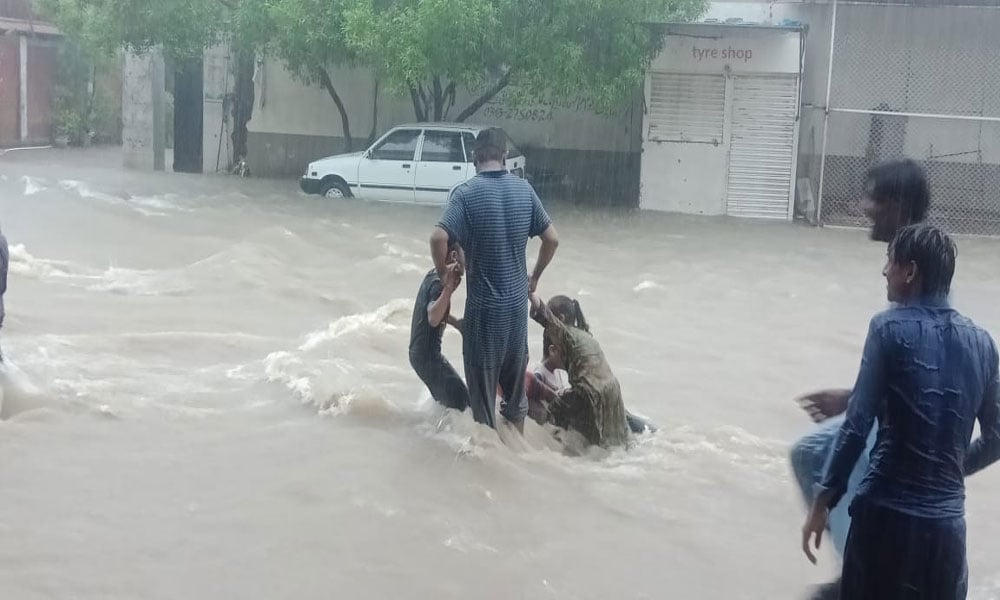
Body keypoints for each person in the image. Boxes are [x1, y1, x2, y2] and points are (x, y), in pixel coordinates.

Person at [801, 223, 1000, 599]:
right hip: (946, 530)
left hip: (885, 520)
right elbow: (998, 436)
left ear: (910, 272)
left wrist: (822, 502)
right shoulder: (983, 344)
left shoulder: (887, 328)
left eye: (889, 262)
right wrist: (955, 467)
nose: (884, 272)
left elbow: (856, 427)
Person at [789, 159, 931, 599]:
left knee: (843, 456)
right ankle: (858, 563)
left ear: (899, 205)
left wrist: (857, 404)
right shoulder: (907, 257)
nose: (864, 206)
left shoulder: (921, 263)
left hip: (902, 424)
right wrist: (852, 397)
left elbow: (917, 362)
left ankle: (864, 575)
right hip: (886, 408)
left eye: (874, 198)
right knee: (809, 451)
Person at [431, 127, 559, 432]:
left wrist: (443, 275)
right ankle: (515, 463)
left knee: (483, 412)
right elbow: (552, 239)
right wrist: (535, 277)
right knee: (516, 404)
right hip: (515, 315)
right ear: (504, 157)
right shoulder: (524, 190)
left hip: (484, 318)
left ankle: (486, 472)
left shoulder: (464, 194)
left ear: (474, 158)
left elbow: (438, 237)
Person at [528, 294, 629, 448]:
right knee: (607, 442)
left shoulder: (565, 334)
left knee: (550, 414)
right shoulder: (584, 335)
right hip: (613, 391)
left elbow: (542, 313)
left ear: (560, 319)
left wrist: (529, 291)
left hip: (590, 392)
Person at [408, 244, 468, 411]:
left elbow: (435, 311)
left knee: (448, 403)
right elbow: (433, 317)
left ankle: (432, 432)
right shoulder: (439, 282)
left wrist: (456, 323)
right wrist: (448, 289)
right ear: (454, 256)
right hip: (427, 357)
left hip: (420, 355)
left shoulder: (435, 273)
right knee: (463, 403)